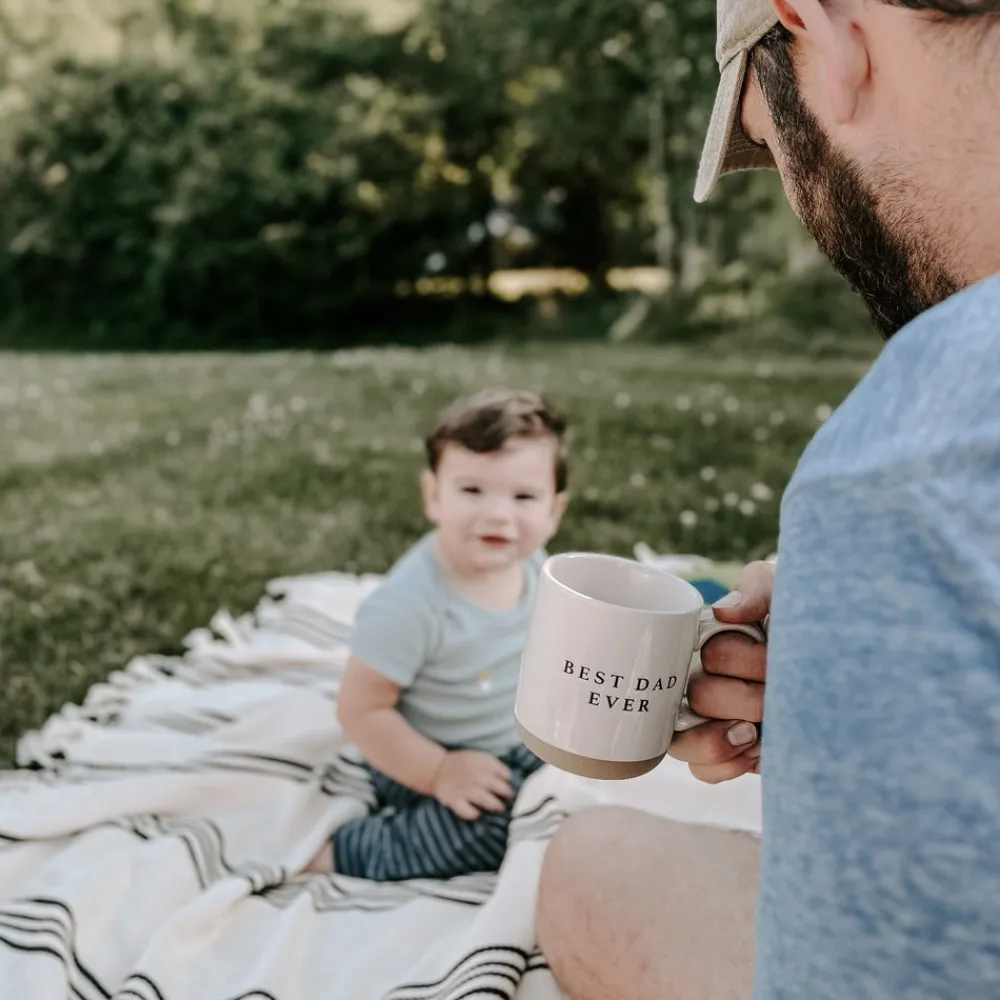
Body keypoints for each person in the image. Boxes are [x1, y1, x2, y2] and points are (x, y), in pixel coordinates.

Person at [535, 1, 1000, 998]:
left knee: (592, 867)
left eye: (768, 139)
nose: (799, 199)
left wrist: (891, 569)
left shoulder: (909, 469)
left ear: (817, 30)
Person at [305, 387, 569, 881]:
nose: (498, 514)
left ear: (554, 511)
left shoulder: (536, 568)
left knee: (579, 787)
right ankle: (352, 852)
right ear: (433, 496)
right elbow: (360, 710)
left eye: (523, 497)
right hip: (420, 755)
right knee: (496, 828)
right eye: (472, 491)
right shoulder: (411, 603)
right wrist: (439, 771)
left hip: (512, 739)